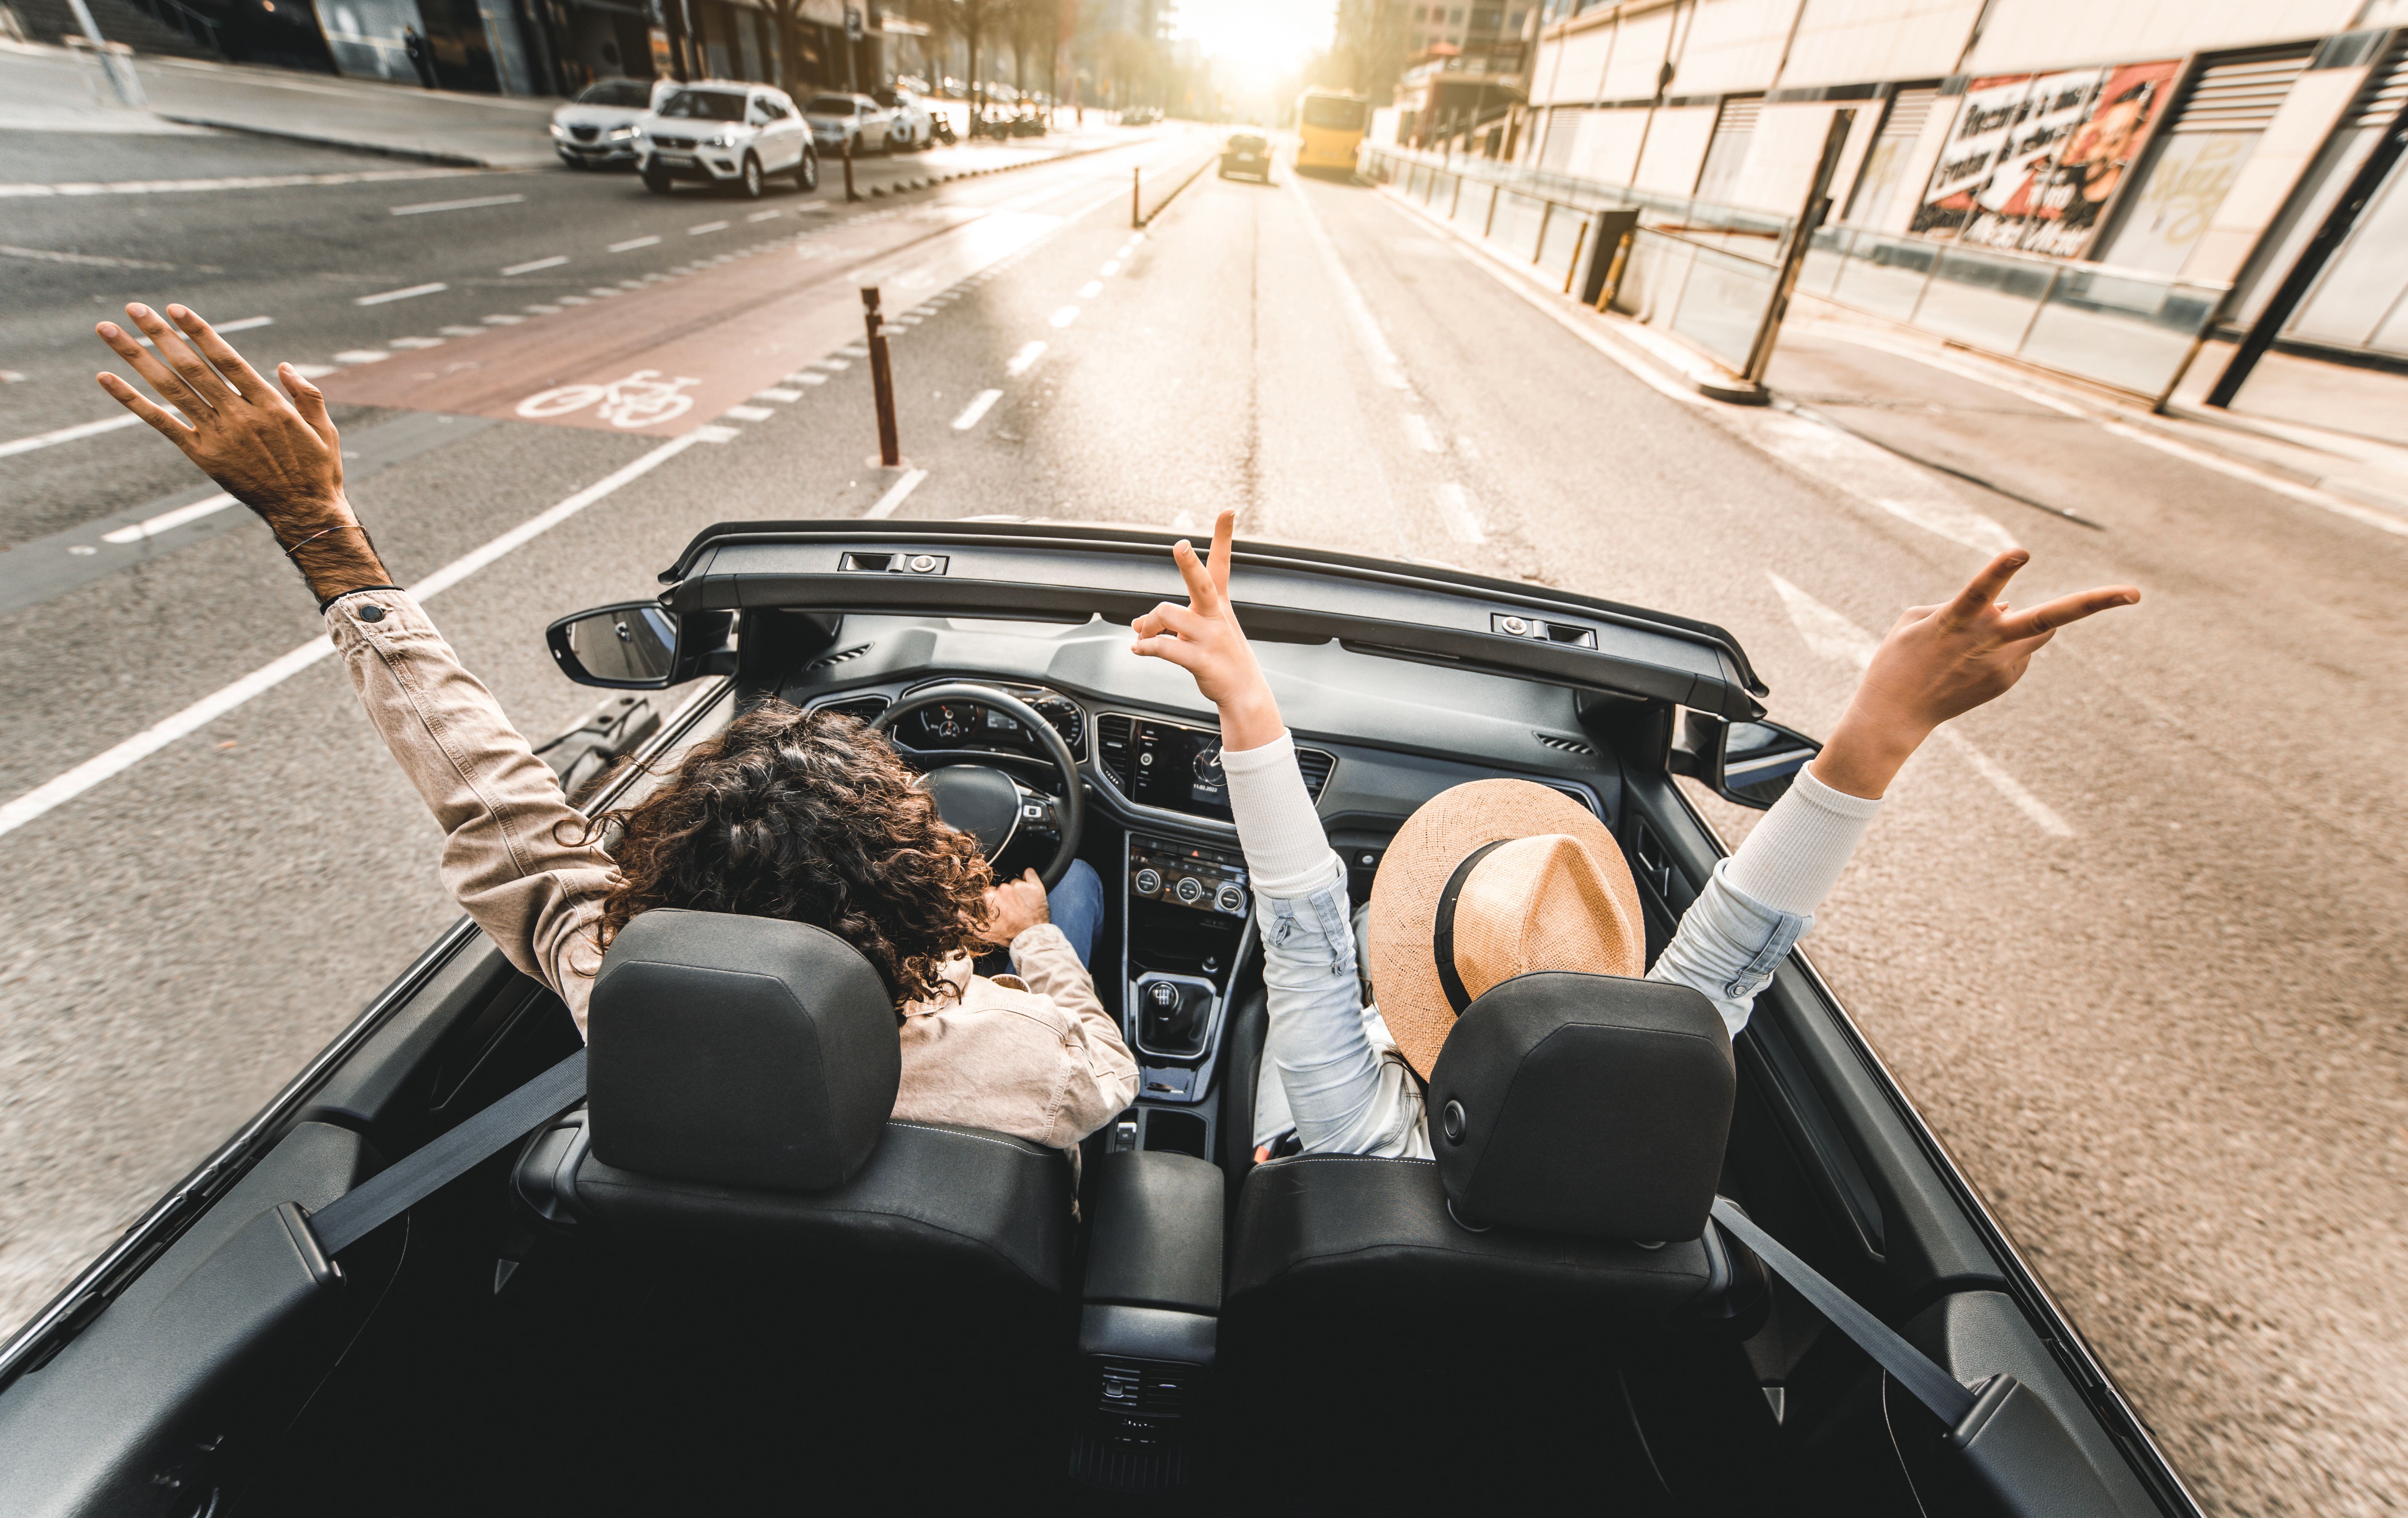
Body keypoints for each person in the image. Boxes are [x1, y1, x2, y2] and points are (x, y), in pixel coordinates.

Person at [89, 304, 1137, 1160]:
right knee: (1078, 893)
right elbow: (1114, 1074)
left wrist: (321, 529)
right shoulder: (1026, 1060)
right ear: (918, 903)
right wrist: (1028, 939)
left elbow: (492, 797)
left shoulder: (620, 979)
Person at [1131, 511, 2139, 1160]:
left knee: (1343, 938)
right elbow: (1734, 958)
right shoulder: (1633, 1136)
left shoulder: (1356, 1132)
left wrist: (1247, 699)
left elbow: (1304, 936)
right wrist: (1887, 726)